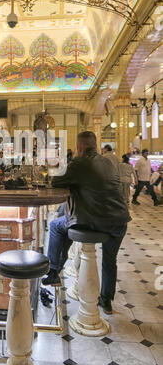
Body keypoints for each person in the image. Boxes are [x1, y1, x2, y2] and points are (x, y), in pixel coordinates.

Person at [42, 131, 131, 314]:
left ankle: (53, 271)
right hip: (120, 221)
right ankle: (106, 301)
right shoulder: (107, 161)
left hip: (94, 220)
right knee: (109, 261)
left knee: (56, 226)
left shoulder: (79, 162)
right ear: (96, 145)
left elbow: (56, 181)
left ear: (79, 147)